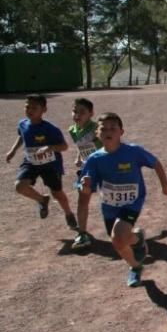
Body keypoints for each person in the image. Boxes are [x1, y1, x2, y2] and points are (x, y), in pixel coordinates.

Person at [76, 112, 167, 286]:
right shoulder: (94, 159)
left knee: (119, 234)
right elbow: (86, 188)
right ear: (97, 134)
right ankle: (136, 264)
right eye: (103, 128)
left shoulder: (133, 152)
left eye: (113, 128)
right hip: (109, 206)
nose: (108, 131)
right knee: (118, 242)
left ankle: (135, 246)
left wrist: (165, 186)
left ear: (121, 132)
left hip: (132, 202)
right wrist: (84, 187)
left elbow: (156, 163)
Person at [6, 94, 77, 229]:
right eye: (27, 107)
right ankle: (42, 200)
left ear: (44, 110)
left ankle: (69, 214)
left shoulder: (50, 129)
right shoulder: (22, 124)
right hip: (31, 162)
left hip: (50, 165)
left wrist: (49, 148)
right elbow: (21, 136)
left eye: (34, 107)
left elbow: (64, 146)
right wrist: (13, 150)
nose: (30, 110)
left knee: (57, 193)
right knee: (20, 187)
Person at [68, 98, 99, 250]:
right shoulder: (72, 130)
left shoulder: (97, 128)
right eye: (75, 111)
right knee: (82, 197)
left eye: (82, 112)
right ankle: (82, 234)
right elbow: (81, 146)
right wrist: (79, 157)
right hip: (88, 169)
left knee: (112, 200)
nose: (77, 115)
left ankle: (127, 229)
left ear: (91, 114)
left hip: (105, 167)